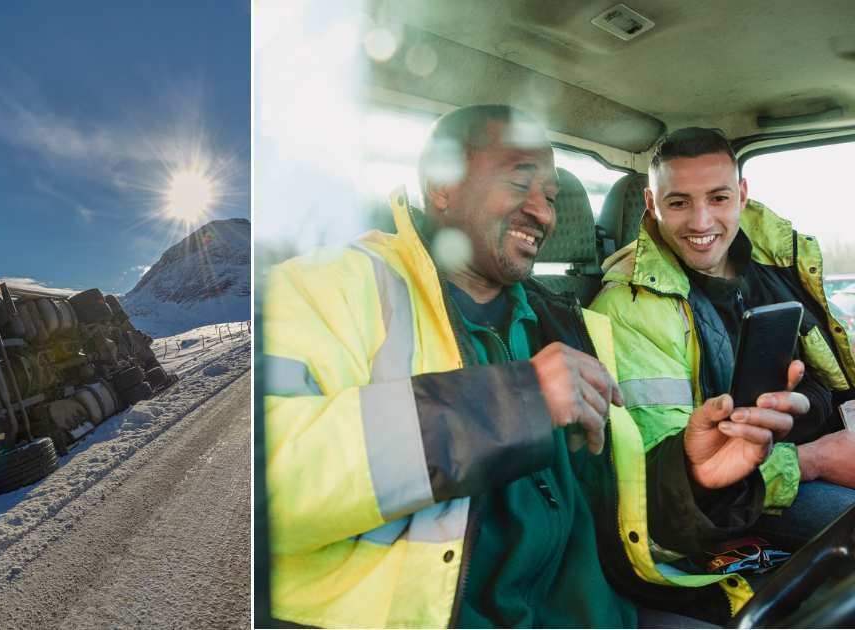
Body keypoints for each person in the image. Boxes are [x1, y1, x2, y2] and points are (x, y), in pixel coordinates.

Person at [262, 106, 794, 628]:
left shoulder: (570, 325)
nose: (543, 212)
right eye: (521, 184)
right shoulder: (323, 290)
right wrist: (513, 403)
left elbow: (610, 515)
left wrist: (689, 475)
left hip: (604, 612)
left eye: (550, 195)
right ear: (441, 187)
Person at [590, 127, 855, 549]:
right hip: (754, 495)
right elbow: (675, 480)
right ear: (650, 204)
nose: (701, 222)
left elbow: (830, 369)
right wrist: (816, 460)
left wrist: (816, 417)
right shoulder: (628, 306)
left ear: (742, 194)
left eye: (718, 198)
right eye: (678, 203)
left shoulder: (777, 263)